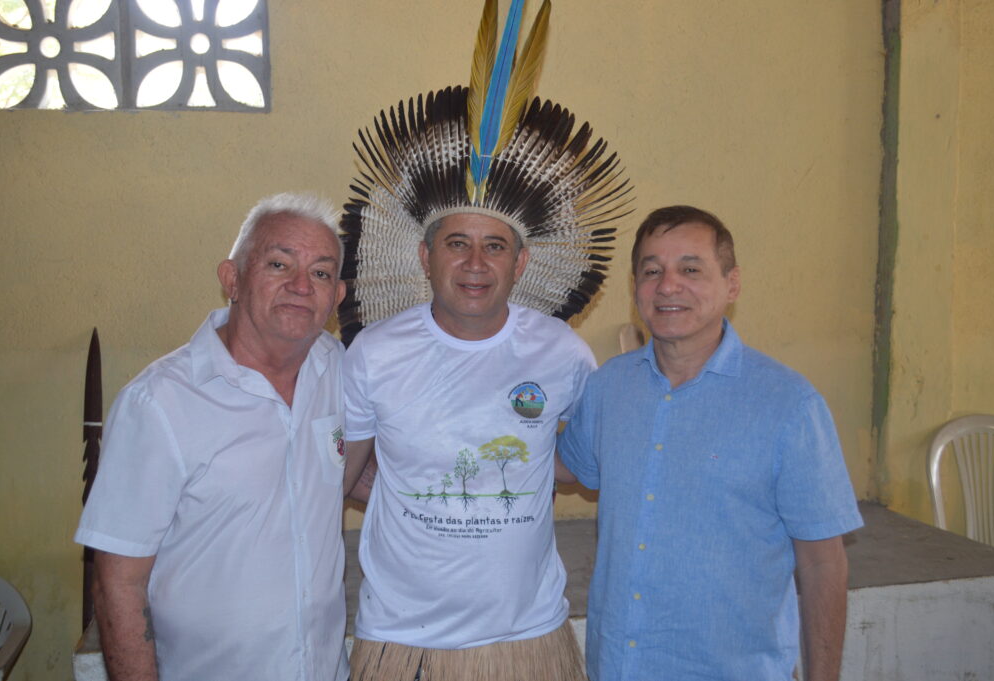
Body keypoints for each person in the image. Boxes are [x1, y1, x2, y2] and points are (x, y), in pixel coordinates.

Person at [334, 3, 632, 678]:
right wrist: (410, 490)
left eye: (495, 246)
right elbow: (342, 477)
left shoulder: (562, 353)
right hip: (401, 642)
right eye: (457, 244)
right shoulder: (374, 352)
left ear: (520, 263)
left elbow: (581, 463)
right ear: (425, 255)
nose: (475, 264)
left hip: (528, 636)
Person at [558, 205, 863, 681]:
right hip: (619, 668)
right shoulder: (608, 388)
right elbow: (561, 466)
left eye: (691, 269)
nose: (668, 286)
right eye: (652, 271)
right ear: (635, 287)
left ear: (732, 284)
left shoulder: (789, 405)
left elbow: (824, 564)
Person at [75, 193, 350, 681]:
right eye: (279, 264)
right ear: (232, 279)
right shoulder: (159, 403)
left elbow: (355, 467)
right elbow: (117, 584)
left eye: (322, 273)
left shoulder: (339, 370)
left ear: (337, 297)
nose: (301, 286)